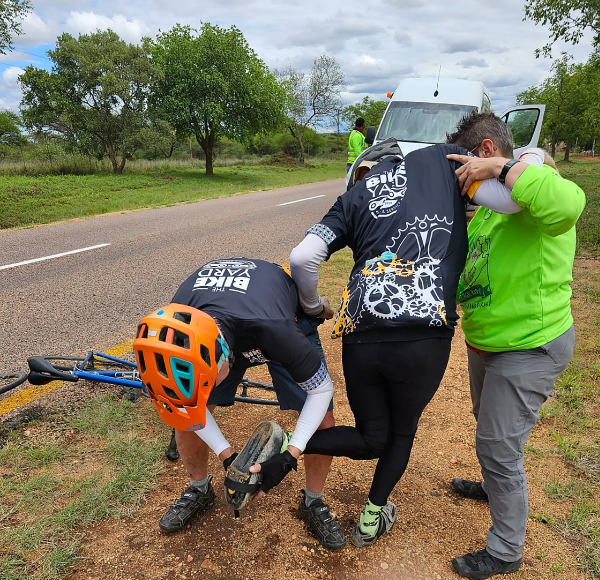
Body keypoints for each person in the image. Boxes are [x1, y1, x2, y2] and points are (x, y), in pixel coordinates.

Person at [444, 113, 585, 578]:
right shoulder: (494, 207)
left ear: (484, 152)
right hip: (490, 344)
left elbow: (568, 204)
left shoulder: (538, 186)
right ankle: (493, 482)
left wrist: (503, 169)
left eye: (465, 165)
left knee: (499, 447)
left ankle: (506, 550)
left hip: (528, 346)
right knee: (490, 428)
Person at [132, 258, 346, 551]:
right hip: (224, 323)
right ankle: (199, 490)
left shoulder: (278, 331)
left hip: (276, 316)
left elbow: (321, 391)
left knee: (323, 421)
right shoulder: (174, 326)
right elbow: (186, 409)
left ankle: (312, 501)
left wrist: (289, 456)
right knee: (189, 406)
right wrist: (228, 456)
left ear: (223, 359)